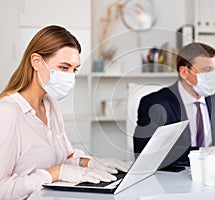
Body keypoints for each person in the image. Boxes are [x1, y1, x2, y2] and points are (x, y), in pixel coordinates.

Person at [0, 25, 129, 199]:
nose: (70, 77)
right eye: (63, 67)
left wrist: (89, 163)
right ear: (36, 61)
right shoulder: (8, 112)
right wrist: (54, 173)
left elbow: (62, 155)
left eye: (74, 69)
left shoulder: (50, 103)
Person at [133, 42, 215, 168]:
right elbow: (144, 155)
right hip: (173, 180)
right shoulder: (155, 103)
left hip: (214, 176)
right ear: (184, 72)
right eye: (207, 70)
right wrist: (203, 153)